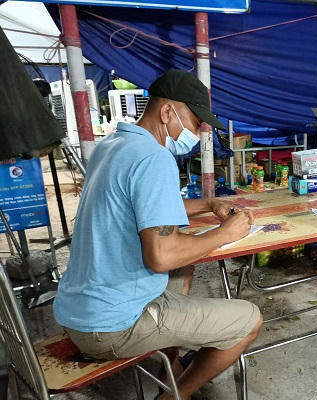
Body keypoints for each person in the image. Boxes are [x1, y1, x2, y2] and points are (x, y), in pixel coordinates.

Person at [53, 69, 263, 400]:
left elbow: (145, 207)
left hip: (76, 307)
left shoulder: (113, 145)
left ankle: (171, 367)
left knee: (183, 270)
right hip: (111, 324)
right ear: (167, 112)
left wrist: (209, 203)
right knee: (249, 319)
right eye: (195, 123)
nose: (197, 133)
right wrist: (225, 233)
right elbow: (161, 256)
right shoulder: (154, 158)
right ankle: (174, 396)